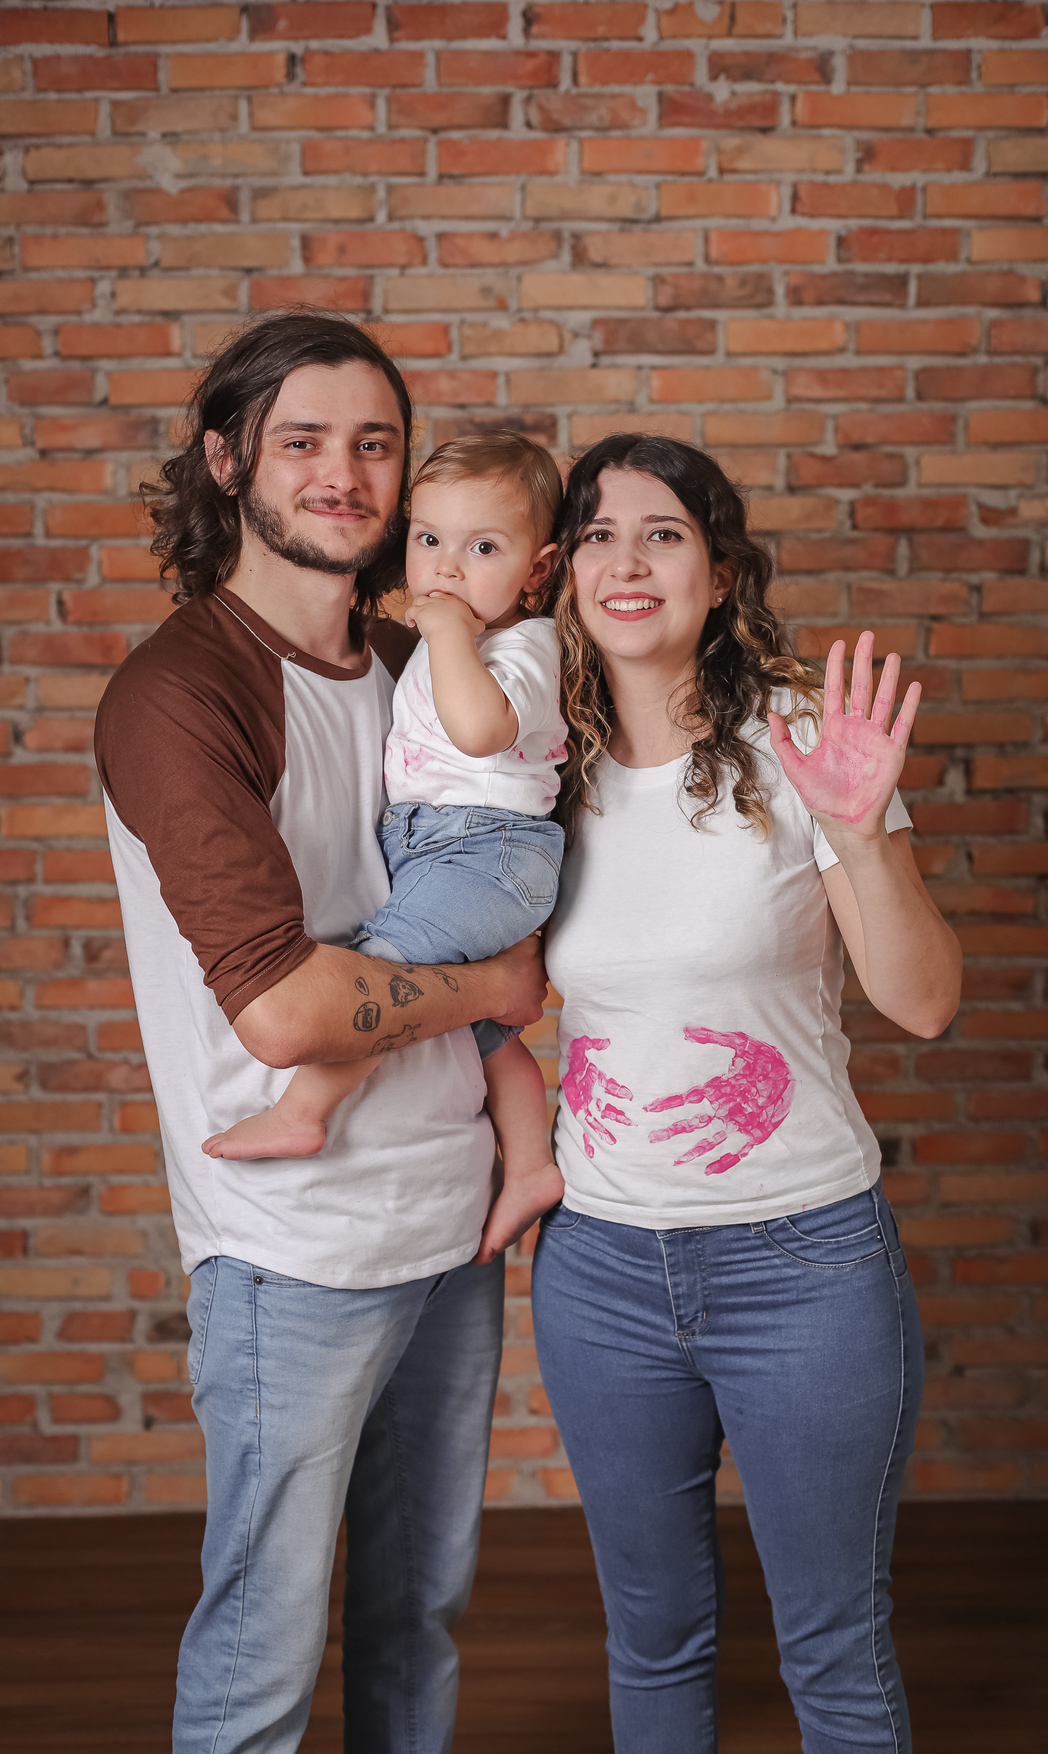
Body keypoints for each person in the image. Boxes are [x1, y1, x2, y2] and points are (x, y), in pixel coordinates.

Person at [93, 312, 546, 1754]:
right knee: (262, 1653)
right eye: (302, 441)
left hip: (450, 1221)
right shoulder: (180, 693)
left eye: (374, 444)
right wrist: (493, 991)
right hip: (292, 1246)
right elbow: (286, 1010)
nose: (344, 474)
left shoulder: (423, 665)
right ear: (228, 462)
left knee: (418, 1621)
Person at [530, 435, 963, 1752]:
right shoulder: (535, 763)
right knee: (652, 1637)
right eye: (597, 535)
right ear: (564, 572)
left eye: (662, 533)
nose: (627, 561)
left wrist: (861, 834)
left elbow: (923, 1001)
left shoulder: (800, 742)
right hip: (601, 1271)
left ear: (720, 572)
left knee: (834, 1645)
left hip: (805, 1267)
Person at [201, 430, 568, 1265]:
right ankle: (532, 1165)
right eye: (430, 540)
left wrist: (446, 634)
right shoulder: (452, 641)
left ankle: (301, 1113)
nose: (447, 569)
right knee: (482, 1030)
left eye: (483, 549)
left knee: (383, 971)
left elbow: (479, 731)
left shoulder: (526, 646)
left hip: (489, 852)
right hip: (441, 848)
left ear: (537, 571)